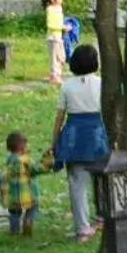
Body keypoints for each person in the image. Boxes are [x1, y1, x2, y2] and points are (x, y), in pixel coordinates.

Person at [49, 44, 110, 243]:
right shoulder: (102, 83)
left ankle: (83, 228)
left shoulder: (67, 85)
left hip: (74, 137)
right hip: (97, 135)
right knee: (101, 179)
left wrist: (54, 141)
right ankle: (102, 217)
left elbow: (60, 116)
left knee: (77, 183)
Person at [0, 131, 43, 236]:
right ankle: (28, 221)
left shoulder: (9, 161)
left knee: (14, 213)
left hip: (13, 196)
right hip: (27, 195)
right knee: (33, 207)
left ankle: (14, 231)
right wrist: (47, 161)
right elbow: (36, 169)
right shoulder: (26, 160)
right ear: (22, 147)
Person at [43, 0, 67, 84]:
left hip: (59, 37)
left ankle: (57, 74)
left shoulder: (59, 8)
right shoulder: (50, 9)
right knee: (54, 58)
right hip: (53, 37)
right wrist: (63, 27)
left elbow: (59, 21)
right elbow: (51, 24)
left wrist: (63, 26)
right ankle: (54, 76)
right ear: (52, 0)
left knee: (61, 57)